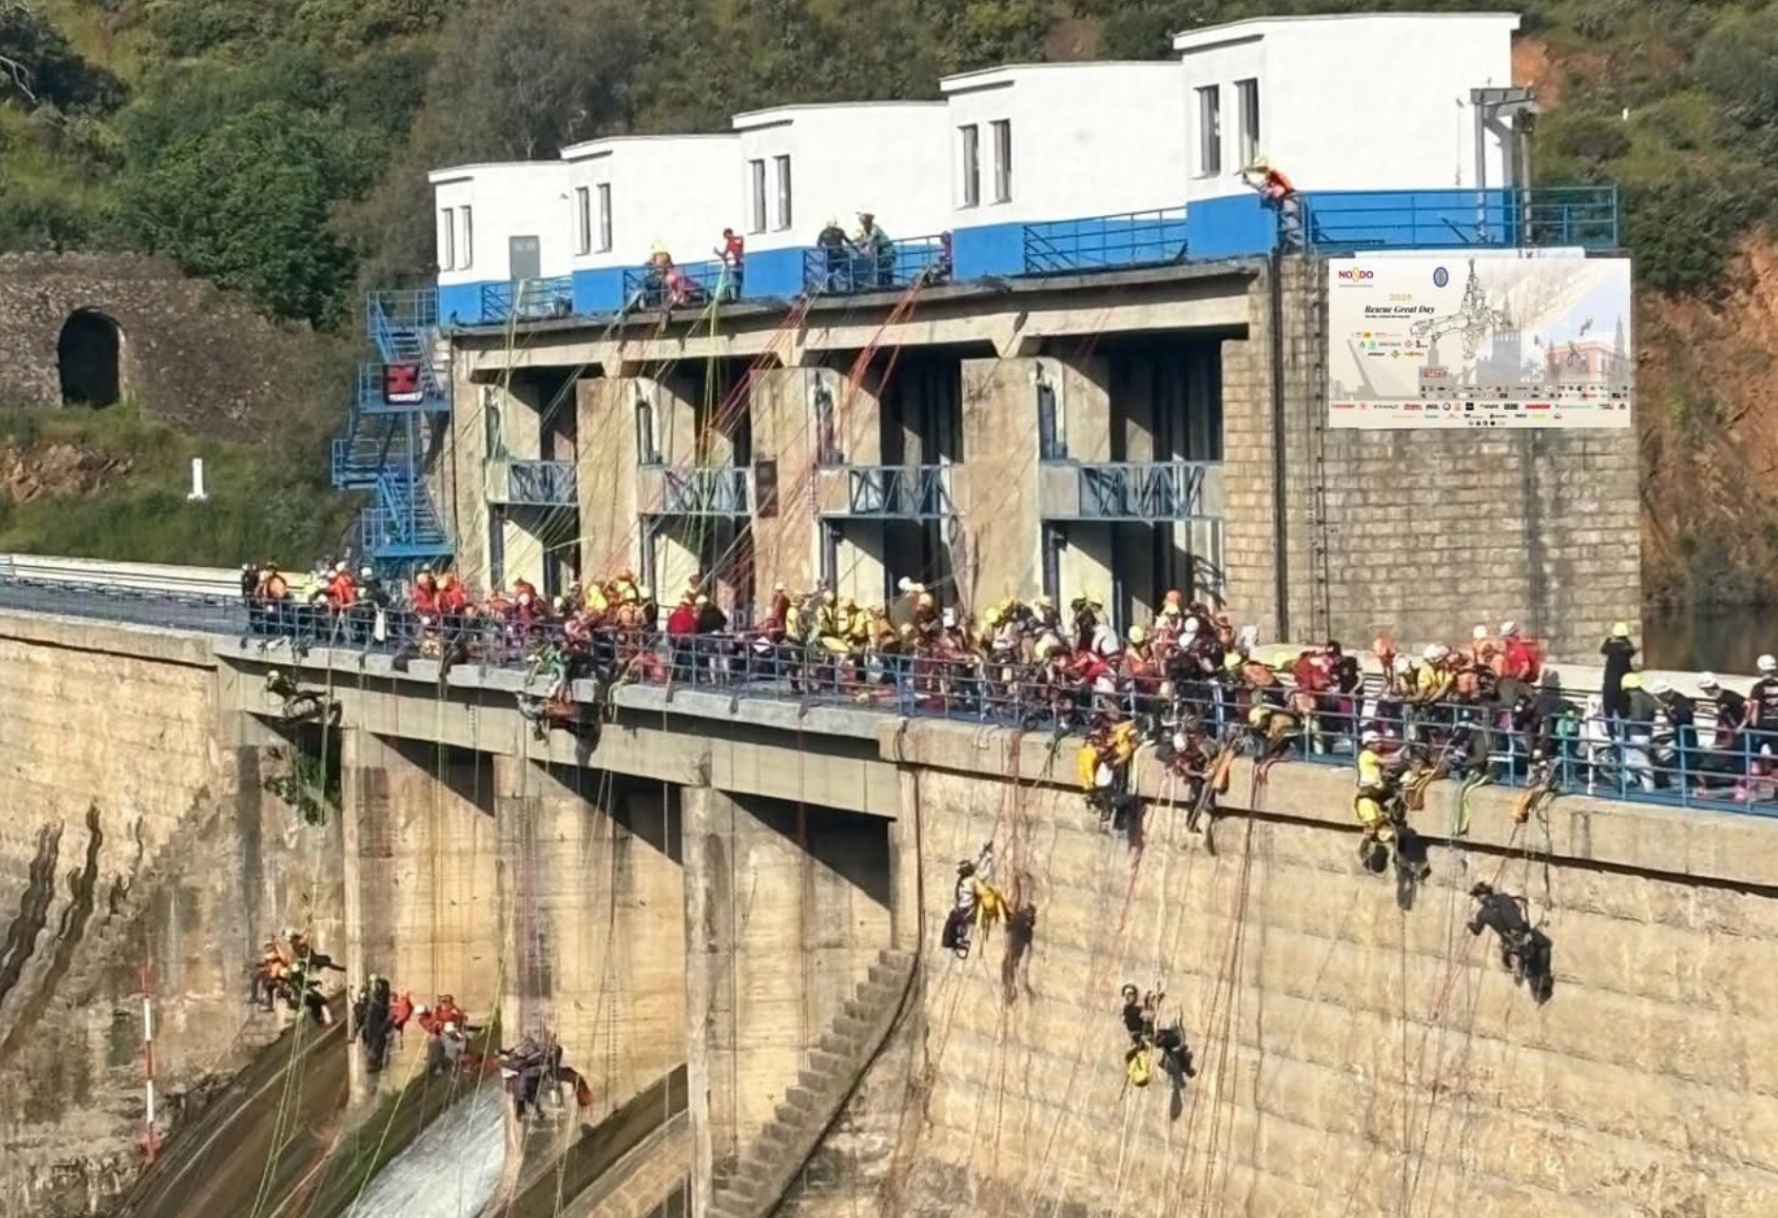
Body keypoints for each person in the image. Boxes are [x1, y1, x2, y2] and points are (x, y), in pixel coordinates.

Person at [1466, 882, 1552, 1002]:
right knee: (1545, 944)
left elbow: (1476, 931)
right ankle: (1544, 976)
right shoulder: (1504, 897)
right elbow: (1516, 909)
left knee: (1525, 955)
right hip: (1524, 934)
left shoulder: (1482, 914)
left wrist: (1469, 923)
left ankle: (1518, 961)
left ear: (1480, 896)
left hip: (1509, 942)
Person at [941, 842, 998, 959]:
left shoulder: (966, 880)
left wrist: (984, 853)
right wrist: (987, 857)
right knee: (952, 921)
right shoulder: (970, 881)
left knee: (952, 921)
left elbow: (974, 865)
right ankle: (953, 942)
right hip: (965, 910)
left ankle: (951, 942)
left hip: (966, 910)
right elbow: (982, 873)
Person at [1599, 622, 1637, 725]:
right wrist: (1626, 640)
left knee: (1610, 715)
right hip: (1623, 688)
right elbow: (1633, 650)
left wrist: (1608, 640)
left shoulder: (1610, 648)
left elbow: (1603, 650)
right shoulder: (1626, 649)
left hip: (1609, 685)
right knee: (1623, 715)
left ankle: (1612, 733)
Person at [853, 212, 895, 288]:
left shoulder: (875, 228)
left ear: (868, 222)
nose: (863, 224)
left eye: (864, 222)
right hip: (880, 252)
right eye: (862, 223)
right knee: (879, 270)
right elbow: (861, 239)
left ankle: (888, 285)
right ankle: (883, 285)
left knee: (885, 269)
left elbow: (870, 239)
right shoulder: (865, 230)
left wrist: (862, 244)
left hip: (887, 251)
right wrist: (857, 242)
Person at [713, 227, 745, 299]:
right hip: (735, 264)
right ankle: (735, 297)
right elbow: (724, 255)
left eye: (727, 236)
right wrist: (717, 252)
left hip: (741, 263)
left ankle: (737, 296)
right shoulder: (729, 244)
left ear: (730, 234)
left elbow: (742, 242)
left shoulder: (737, 239)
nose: (726, 238)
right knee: (735, 281)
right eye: (725, 237)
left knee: (739, 281)